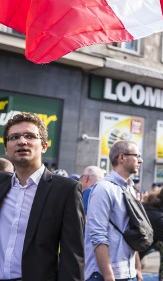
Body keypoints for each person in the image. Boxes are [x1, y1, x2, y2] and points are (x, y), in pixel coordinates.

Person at [0, 111, 85, 280]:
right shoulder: (1, 184)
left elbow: (72, 255)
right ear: (6, 148)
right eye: (14, 137)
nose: (22, 141)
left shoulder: (66, 190)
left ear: (44, 146)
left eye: (30, 136)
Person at [84, 140, 145, 281]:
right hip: (103, 274)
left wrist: (137, 268)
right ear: (122, 157)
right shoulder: (104, 189)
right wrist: (108, 276)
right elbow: (98, 235)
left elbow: (132, 231)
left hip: (127, 272)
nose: (140, 160)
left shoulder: (130, 189)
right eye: (137, 155)